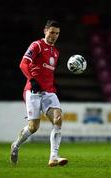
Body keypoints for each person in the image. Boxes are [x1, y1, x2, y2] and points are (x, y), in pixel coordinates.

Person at [10, 19, 68, 167]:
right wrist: (32, 80)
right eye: (52, 32)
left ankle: (53, 157)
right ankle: (15, 145)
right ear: (45, 31)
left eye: (57, 33)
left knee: (58, 118)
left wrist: (53, 85)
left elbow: (47, 72)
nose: (54, 35)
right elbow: (23, 64)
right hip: (33, 91)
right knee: (33, 127)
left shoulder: (56, 52)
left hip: (49, 92)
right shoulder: (37, 45)